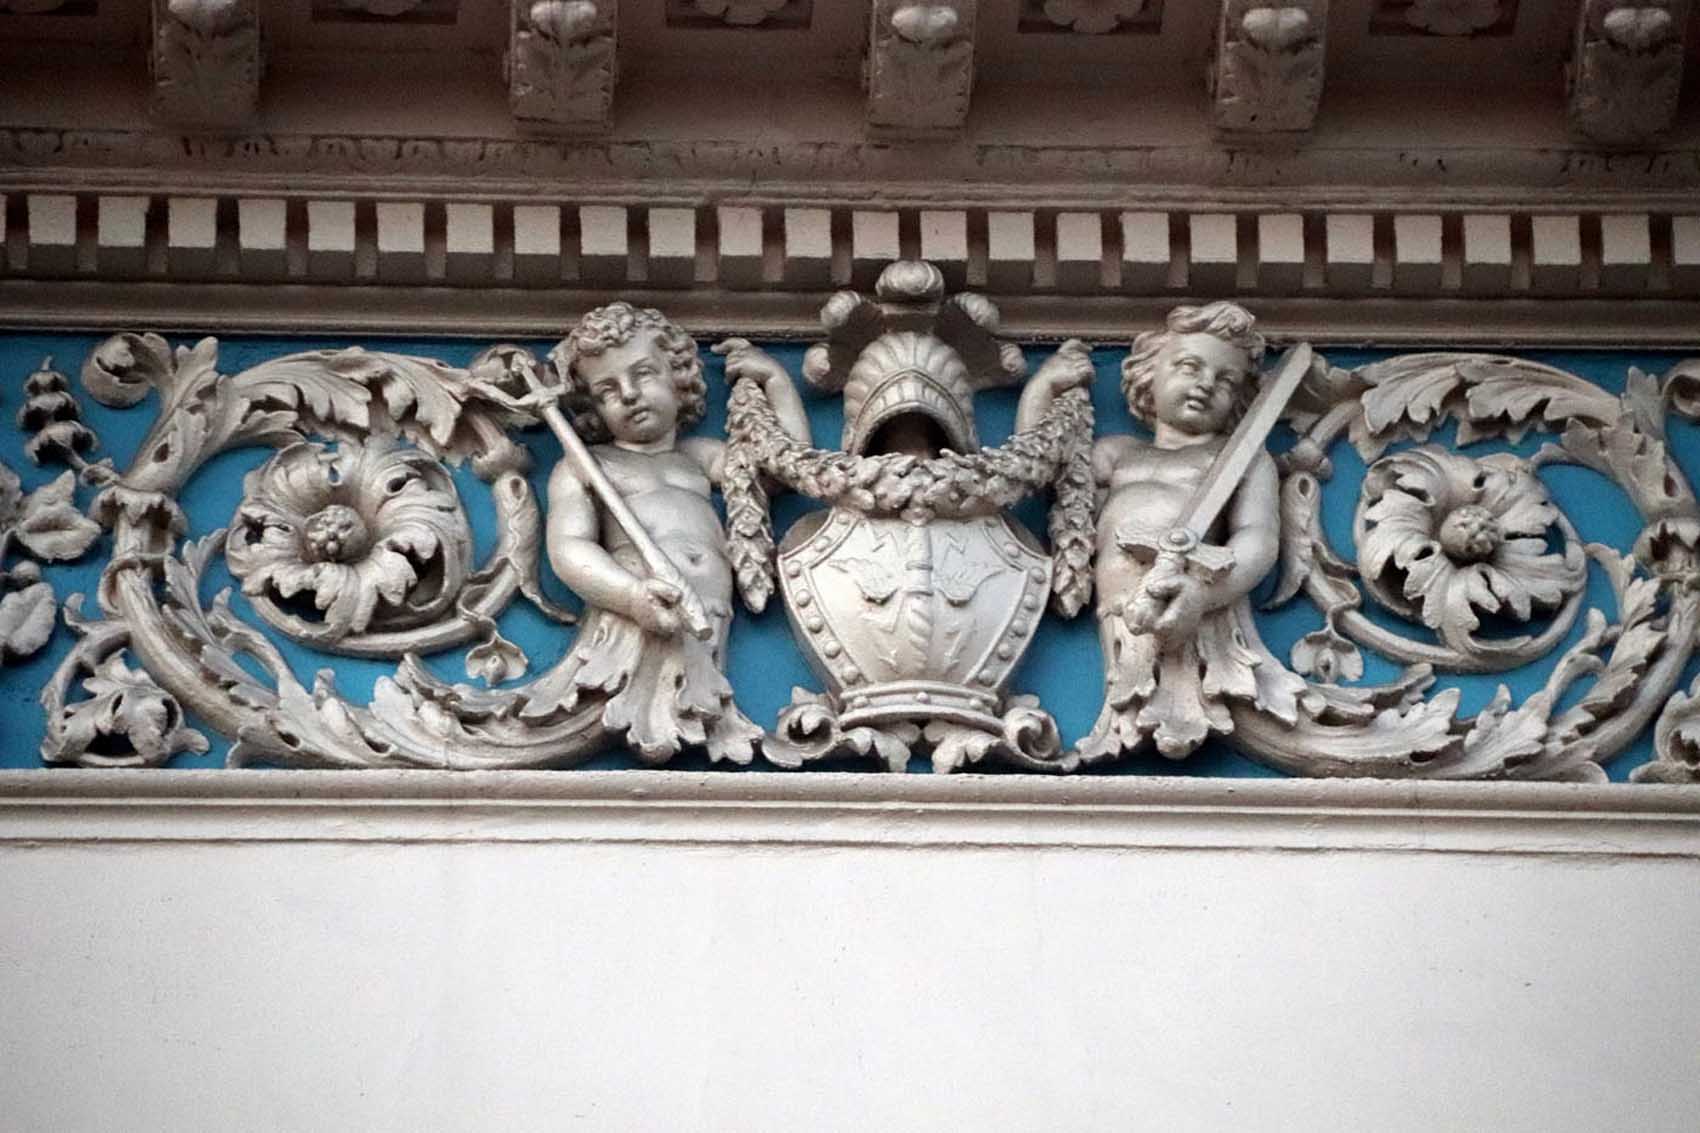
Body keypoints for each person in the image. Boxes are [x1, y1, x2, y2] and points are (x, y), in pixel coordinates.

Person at [519, 302, 810, 764]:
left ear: (679, 379)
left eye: (644, 374)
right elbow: (569, 548)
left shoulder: (699, 457)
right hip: (639, 612)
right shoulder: (587, 466)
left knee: (696, 704)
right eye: (608, 390)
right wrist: (631, 596)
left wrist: (776, 383)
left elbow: (780, 469)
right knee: (646, 715)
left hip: (708, 615)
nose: (630, 394)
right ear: (592, 407)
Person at [1017, 302, 1305, 760]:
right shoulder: (1115, 453)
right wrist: (1041, 391)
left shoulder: (1241, 460)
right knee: (1131, 694)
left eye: (1226, 380)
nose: (1206, 384)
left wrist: (1203, 595)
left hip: (1199, 609)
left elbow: (1257, 538)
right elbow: (1037, 476)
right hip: (1121, 614)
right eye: (1190, 366)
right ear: (1148, 374)